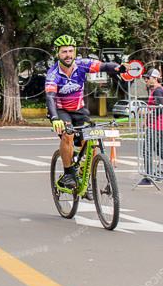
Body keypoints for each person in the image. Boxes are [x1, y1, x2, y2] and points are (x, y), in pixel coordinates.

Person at [45, 35, 126, 190]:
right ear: (57, 53)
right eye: (64, 52)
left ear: (75, 52)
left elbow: (104, 66)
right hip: (60, 110)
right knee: (67, 135)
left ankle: (84, 175)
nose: (68, 55)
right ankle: (68, 173)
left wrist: (118, 67)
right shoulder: (53, 74)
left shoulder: (82, 64)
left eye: (70, 51)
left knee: (91, 140)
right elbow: (50, 97)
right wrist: (55, 118)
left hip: (79, 109)